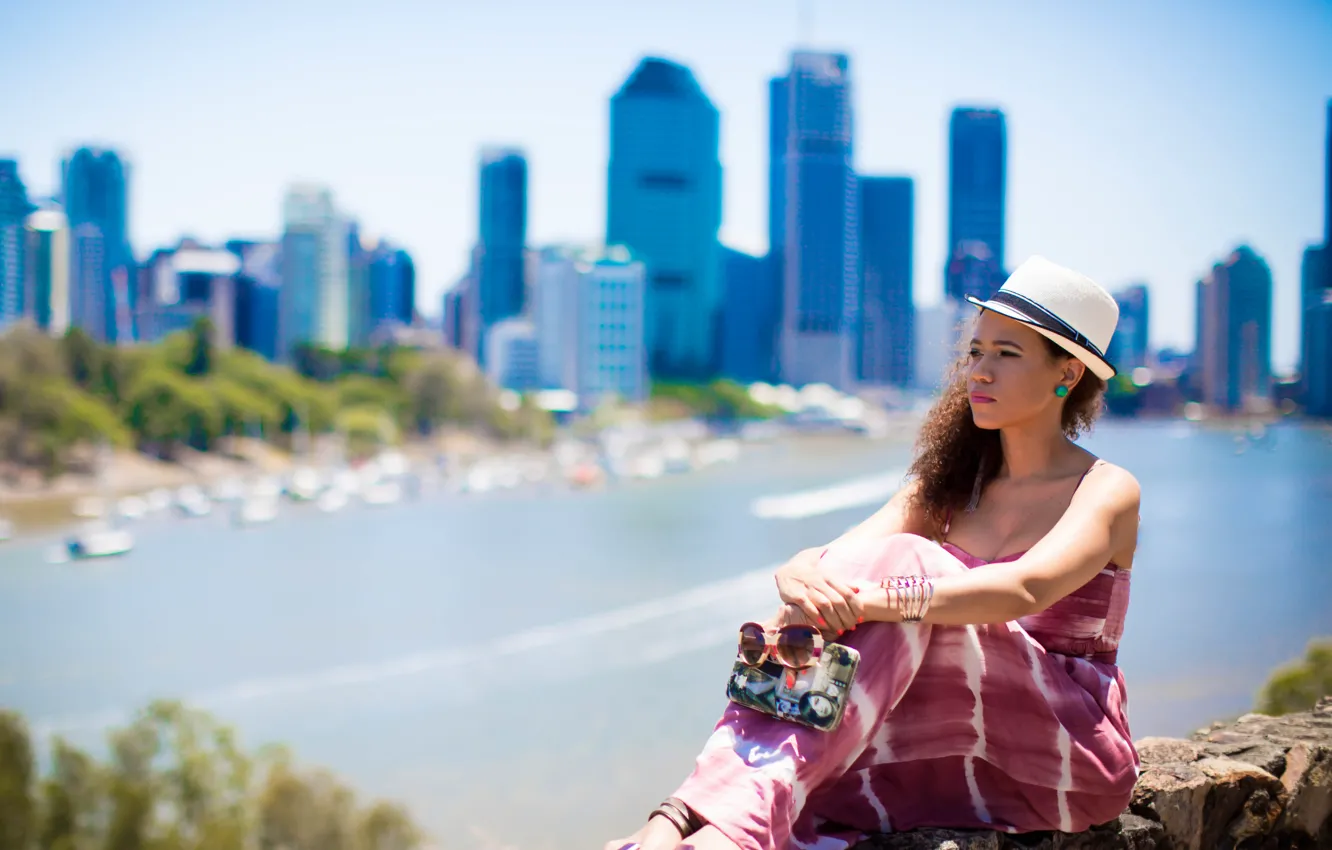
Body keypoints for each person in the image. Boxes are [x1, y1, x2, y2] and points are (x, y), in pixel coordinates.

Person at [604, 256, 1142, 850]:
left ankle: (720, 826)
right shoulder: (952, 482)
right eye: (976, 352)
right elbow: (845, 556)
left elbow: (1024, 590)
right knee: (850, 583)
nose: (980, 372)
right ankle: (692, 813)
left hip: (1070, 751)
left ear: (1065, 375)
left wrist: (871, 603)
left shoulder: (1106, 489)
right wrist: (799, 574)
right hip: (953, 751)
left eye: (1006, 355)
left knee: (907, 563)